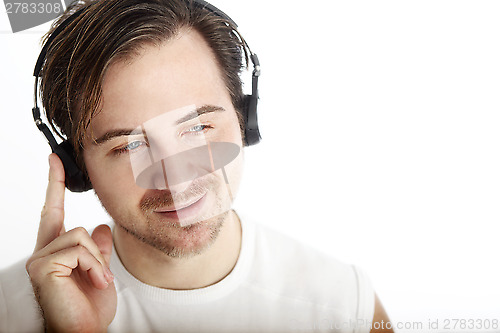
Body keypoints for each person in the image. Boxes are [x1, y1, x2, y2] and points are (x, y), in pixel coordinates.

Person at [0, 0, 393, 332]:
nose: (177, 179)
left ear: (245, 122)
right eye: (131, 145)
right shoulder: (10, 310)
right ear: (78, 168)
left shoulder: (346, 306)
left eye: (199, 127)